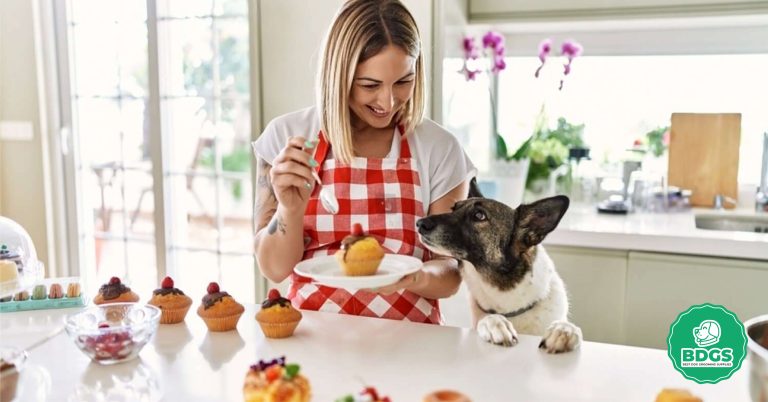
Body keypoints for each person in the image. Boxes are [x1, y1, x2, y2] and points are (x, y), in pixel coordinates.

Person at [252, 0, 476, 324]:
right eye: (370, 85)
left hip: (411, 345)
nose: (388, 102)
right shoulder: (289, 137)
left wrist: (413, 277)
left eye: (403, 81)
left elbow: (451, 272)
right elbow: (274, 269)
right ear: (338, 76)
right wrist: (290, 209)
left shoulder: (439, 148)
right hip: (314, 341)